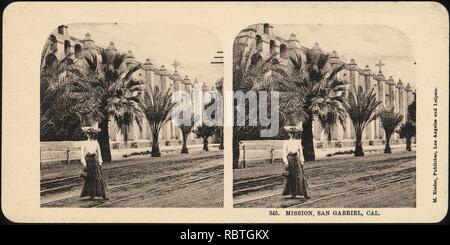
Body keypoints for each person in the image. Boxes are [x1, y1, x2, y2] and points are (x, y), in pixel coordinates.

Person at [80, 127, 108, 200]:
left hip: (94, 161)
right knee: (89, 178)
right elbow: (82, 154)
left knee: (98, 177)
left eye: (91, 134)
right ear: (86, 135)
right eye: (88, 134)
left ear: (93, 135)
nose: (90, 135)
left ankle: (102, 194)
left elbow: (99, 153)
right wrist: (84, 163)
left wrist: (100, 162)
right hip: (88, 161)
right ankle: (91, 194)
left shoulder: (96, 142)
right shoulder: (84, 143)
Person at [281, 126, 310, 199]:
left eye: (293, 133)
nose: (292, 134)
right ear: (289, 134)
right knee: (291, 177)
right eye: (290, 133)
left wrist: (302, 161)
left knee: (300, 176)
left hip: (296, 159)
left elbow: (300, 152)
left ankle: (304, 193)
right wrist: (286, 162)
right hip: (290, 159)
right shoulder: (286, 142)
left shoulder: (298, 141)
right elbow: (284, 153)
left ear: (295, 134)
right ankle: (293, 193)